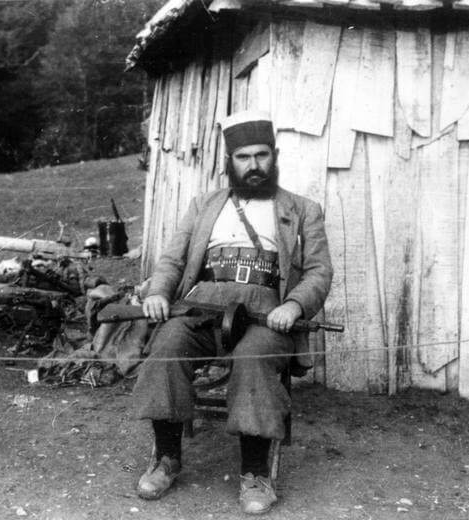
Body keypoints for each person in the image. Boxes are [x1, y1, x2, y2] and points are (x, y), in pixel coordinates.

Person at [132, 110, 333, 514]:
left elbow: (319, 270)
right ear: (230, 161)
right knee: (167, 345)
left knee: (254, 358)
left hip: (266, 313)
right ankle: (166, 458)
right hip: (201, 305)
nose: (254, 165)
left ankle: (255, 474)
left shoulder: (302, 209)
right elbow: (172, 260)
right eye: (244, 157)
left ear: (274, 156)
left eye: (261, 155)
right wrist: (158, 292)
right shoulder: (204, 205)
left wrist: (294, 305)